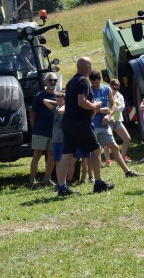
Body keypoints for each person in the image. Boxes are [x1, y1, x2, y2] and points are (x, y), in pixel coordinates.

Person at [57, 57, 114, 196]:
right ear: (87, 66)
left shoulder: (71, 82)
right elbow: (81, 102)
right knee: (95, 150)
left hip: (67, 122)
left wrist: (97, 109)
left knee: (66, 155)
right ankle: (98, 183)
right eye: (91, 65)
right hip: (80, 123)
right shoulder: (83, 81)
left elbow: (75, 104)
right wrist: (94, 106)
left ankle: (62, 188)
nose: (92, 67)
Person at [89, 71, 140, 178]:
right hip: (93, 125)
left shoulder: (106, 89)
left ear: (101, 79)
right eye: (93, 83)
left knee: (115, 147)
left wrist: (108, 116)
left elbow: (113, 106)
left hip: (105, 124)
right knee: (94, 151)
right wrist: (99, 110)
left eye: (97, 82)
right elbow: (85, 108)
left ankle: (127, 172)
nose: (95, 85)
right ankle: (91, 177)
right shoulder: (88, 90)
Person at [27, 72, 57, 189]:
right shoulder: (39, 96)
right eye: (50, 80)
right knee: (37, 155)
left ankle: (47, 179)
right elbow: (33, 114)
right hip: (40, 131)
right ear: (45, 82)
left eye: (55, 80)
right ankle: (32, 181)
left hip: (53, 132)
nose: (53, 82)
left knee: (51, 155)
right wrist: (35, 129)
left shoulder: (58, 96)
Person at [43, 90, 65, 187]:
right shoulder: (56, 108)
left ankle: (63, 181)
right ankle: (59, 182)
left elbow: (61, 110)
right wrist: (56, 102)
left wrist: (63, 103)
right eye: (57, 100)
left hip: (63, 139)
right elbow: (45, 101)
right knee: (57, 161)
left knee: (62, 161)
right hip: (55, 139)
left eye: (61, 100)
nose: (59, 102)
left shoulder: (65, 109)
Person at [109, 79, 133, 163]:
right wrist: (114, 109)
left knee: (127, 138)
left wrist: (113, 108)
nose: (115, 90)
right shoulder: (106, 94)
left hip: (118, 120)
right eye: (114, 88)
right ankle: (108, 160)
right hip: (108, 120)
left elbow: (122, 108)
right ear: (110, 86)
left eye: (117, 89)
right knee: (108, 142)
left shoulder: (119, 95)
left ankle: (123, 157)